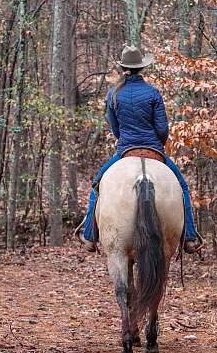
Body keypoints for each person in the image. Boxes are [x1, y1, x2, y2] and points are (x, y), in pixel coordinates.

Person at [75, 45, 203, 253]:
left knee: (96, 185)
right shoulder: (153, 93)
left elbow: (115, 129)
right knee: (183, 187)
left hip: (126, 150)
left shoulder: (113, 94)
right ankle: (189, 237)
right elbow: (162, 130)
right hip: (154, 150)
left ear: (124, 67)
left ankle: (89, 235)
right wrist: (155, 141)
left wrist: (127, 139)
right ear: (142, 68)